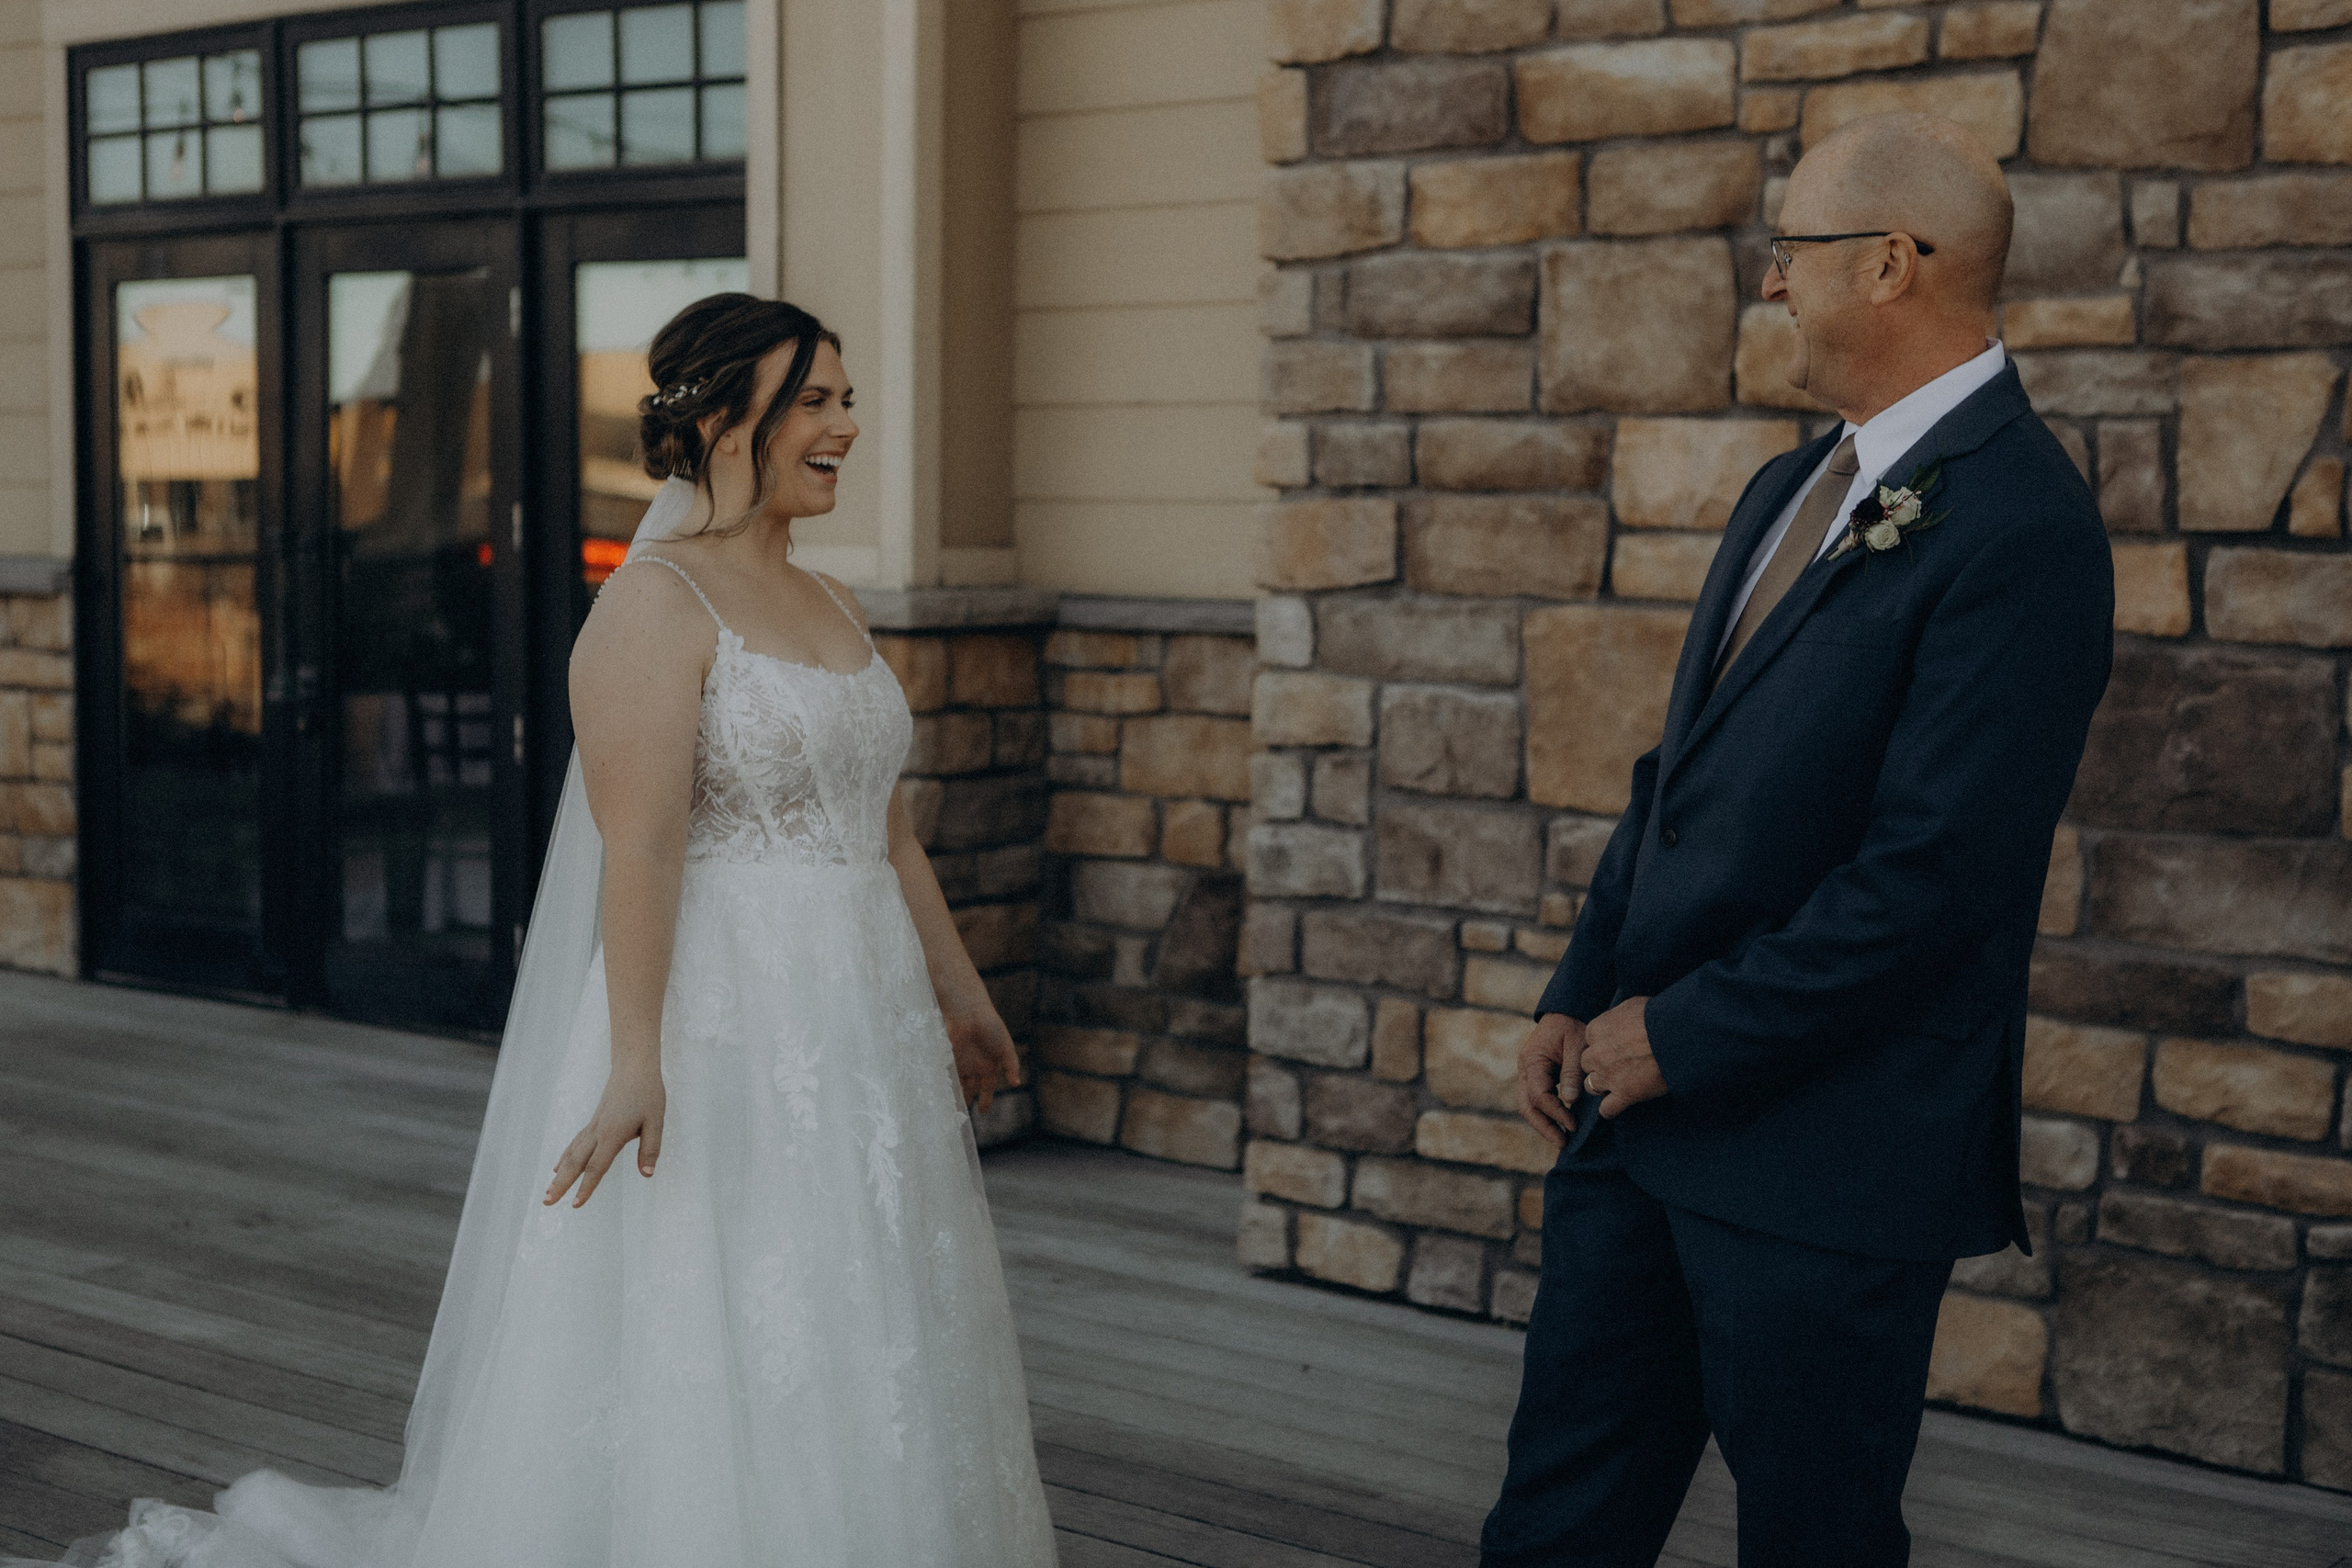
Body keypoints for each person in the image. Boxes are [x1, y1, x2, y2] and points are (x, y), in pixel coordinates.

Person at [34, 296, 1058, 1566]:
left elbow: (888, 832)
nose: (847, 426)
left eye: (846, 400)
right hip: (726, 1020)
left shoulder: (839, 605)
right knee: (734, 1292)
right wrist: (634, 1058)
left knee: (872, 1289)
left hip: (864, 1027)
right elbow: (642, 847)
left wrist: (962, 996)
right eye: (815, 401)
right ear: (721, 419)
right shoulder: (653, 609)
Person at [1480, 114, 2114, 1568]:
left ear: (1889, 265)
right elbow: (1677, 780)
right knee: (1556, 1521)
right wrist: (1580, 991)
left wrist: (1681, 1036)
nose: (1769, 282)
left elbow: (1936, 882)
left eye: (1791, 251)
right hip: (1635, 1131)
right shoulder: (1788, 490)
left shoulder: (2024, 527)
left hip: (1828, 1160)